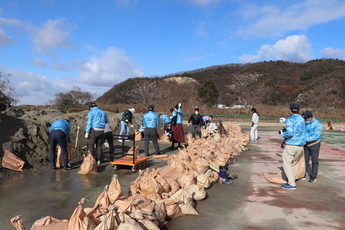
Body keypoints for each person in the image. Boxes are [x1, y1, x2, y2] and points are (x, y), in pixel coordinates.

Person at [279, 102, 306, 190]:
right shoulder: (302, 119)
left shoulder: (291, 119)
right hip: (300, 146)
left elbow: (290, 132)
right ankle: (292, 179)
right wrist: (285, 120)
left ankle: (291, 184)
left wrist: (283, 133)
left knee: (287, 163)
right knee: (293, 163)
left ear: (290, 110)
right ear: (298, 110)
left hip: (291, 145)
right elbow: (296, 122)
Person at [302, 110, 322, 183]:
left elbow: (316, 136)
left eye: (307, 119)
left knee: (314, 160)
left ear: (310, 117)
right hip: (306, 144)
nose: (306, 120)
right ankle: (302, 174)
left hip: (314, 144)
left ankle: (313, 176)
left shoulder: (317, 124)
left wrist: (304, 139)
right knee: (305, 160)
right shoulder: (304, 122)